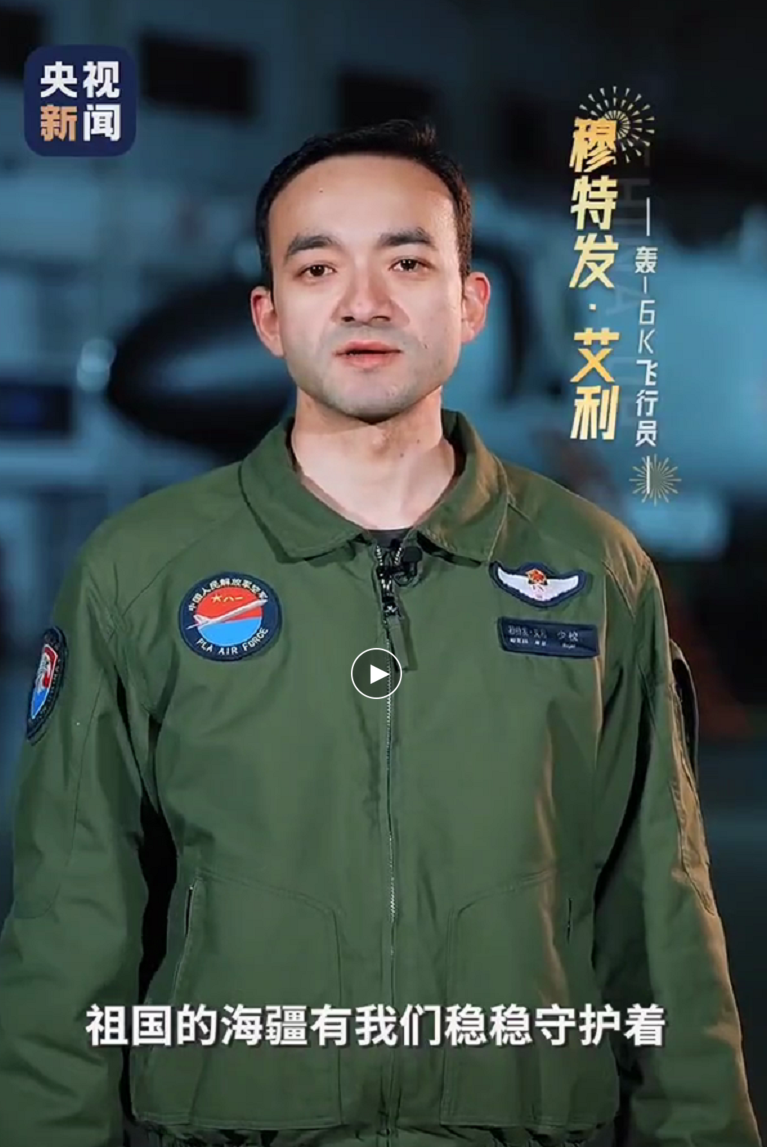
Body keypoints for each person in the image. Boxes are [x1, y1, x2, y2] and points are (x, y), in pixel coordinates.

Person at [0, 119, 760, 1147]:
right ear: (269, 315)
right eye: (317, 267)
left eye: (406, 261)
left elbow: (661, 915)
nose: (364, 301)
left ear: (469, 302)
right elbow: (68, 925)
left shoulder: (594, 570)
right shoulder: (137, 573)